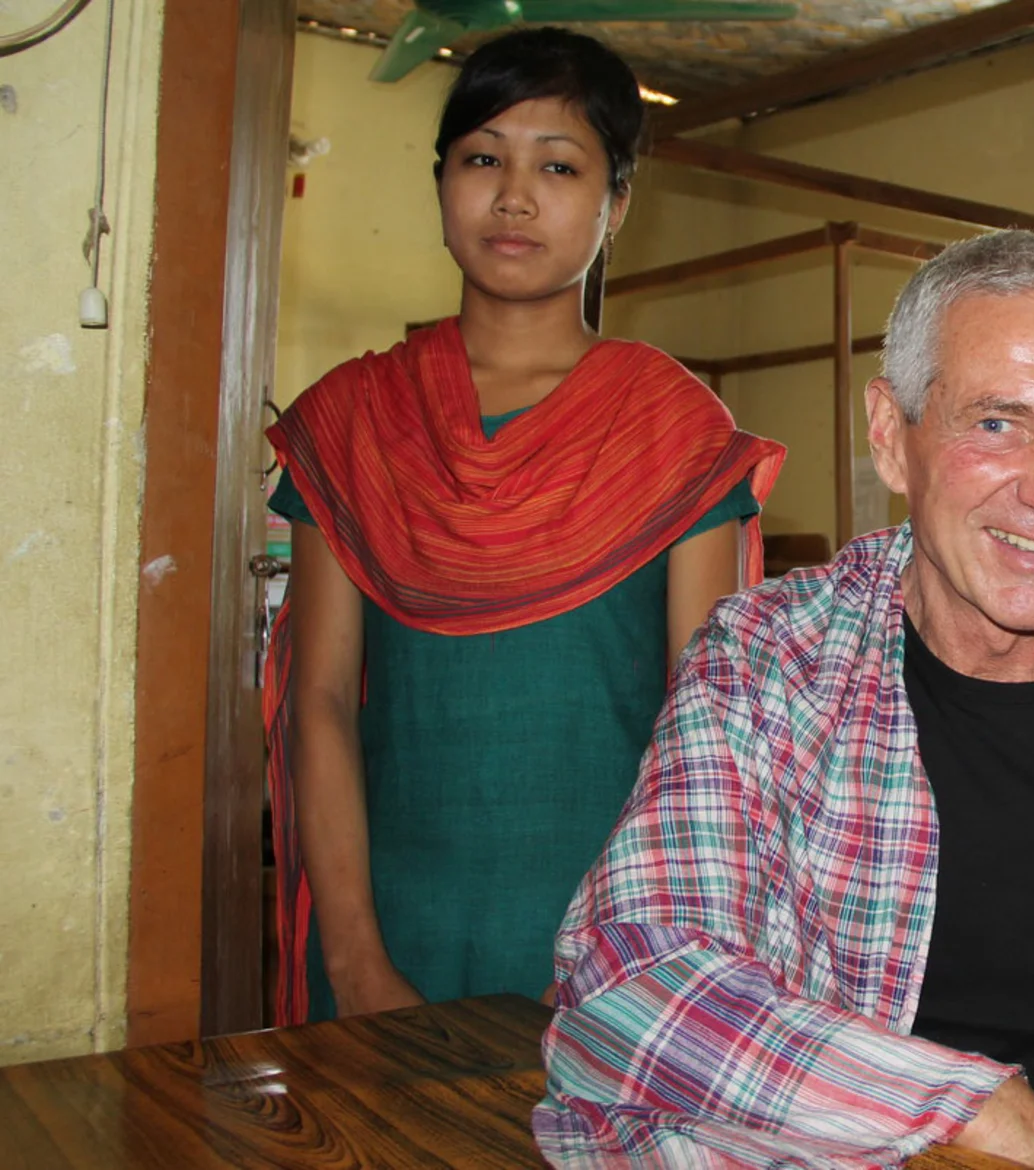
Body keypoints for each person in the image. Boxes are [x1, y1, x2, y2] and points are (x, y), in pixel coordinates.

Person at [534, 230, 1034, 1169]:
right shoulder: (772, 664)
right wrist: (967, 1111)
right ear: (889, 438)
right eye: (998, 423)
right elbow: (633, 985)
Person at [263, 27, 784, 1025]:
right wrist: (359, 962)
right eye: (482, 158)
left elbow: (707, 730)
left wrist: (620, 952)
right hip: (386, 934)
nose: (513, 194)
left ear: (615, 202)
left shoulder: (669, 430)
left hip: (614, 949)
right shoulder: (351, 424)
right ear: (441, 184)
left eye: (558, 165)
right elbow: (320, 700)